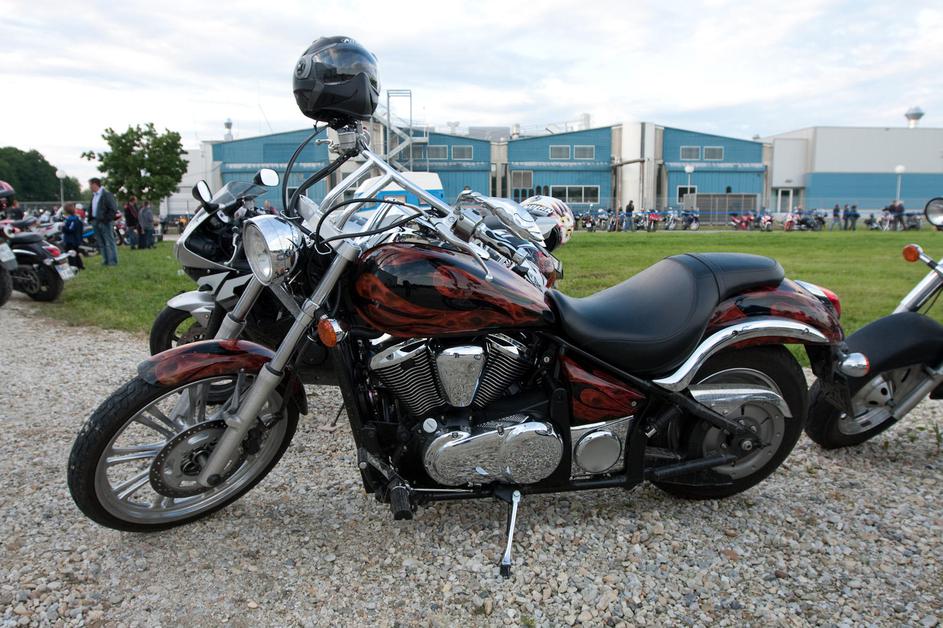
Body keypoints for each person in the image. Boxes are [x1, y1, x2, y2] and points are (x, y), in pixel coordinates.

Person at [89, 177, 118, 266]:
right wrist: (91, 219)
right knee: (101, 242)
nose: (89, 187)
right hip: (95, 221)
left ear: (95, 184)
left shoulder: (107, 194)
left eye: (90, 185)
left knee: (109, 241)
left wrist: (106, 220)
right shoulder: (94, 195)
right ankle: (105, 260)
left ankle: (112, 261)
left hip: (105, 222)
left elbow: (113, 209)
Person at [60, 203, 85, 270]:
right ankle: (80, 265)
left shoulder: (71, 219)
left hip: (70, 240)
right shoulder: (76, 218)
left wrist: (63, 227)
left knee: (71, 254)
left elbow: (71, 229)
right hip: (75, 239)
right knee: (76, 253)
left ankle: (73, 266)